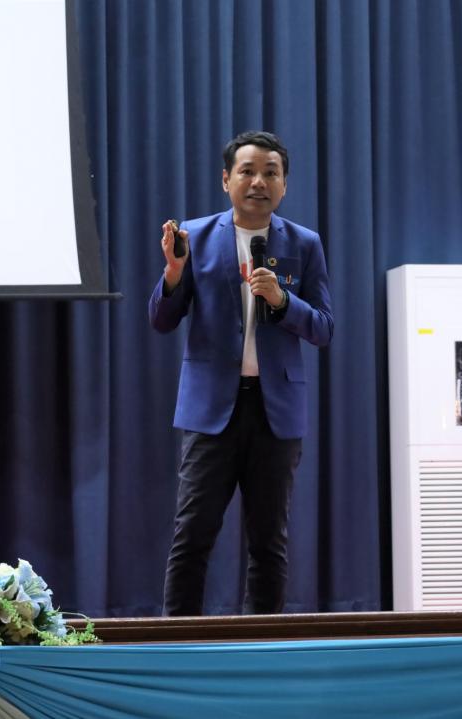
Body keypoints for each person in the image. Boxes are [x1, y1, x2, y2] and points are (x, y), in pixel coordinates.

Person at [149, 130, 334, 615]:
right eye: (247, 171)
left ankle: (262, 644)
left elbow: (323, 328)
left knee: (269, 542)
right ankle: (179, 646)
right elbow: (162, 321)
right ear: (226, 179)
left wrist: (282, 300)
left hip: (275, 412)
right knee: (192, 536)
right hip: (211, 410)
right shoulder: (194, 237)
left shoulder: (304, 243)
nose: (258, 182)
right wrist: (173, 273)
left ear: (284, 185)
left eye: (271, 173)